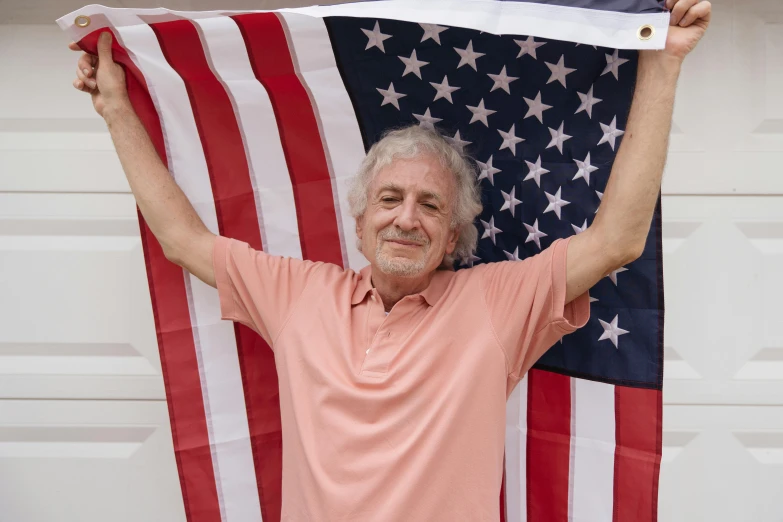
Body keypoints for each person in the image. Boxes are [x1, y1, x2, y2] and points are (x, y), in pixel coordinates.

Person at [69, 0, 710, 519]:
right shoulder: (298, 295)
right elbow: (181, 239)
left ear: (455, 236)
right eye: (390, 198)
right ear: (359, 218)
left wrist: (664, 66)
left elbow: (619, 238)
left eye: (431, 206)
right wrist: (118, 110)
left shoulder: (494, 303)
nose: (406, 218)